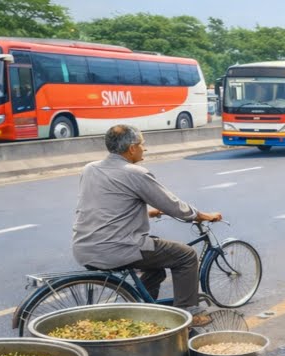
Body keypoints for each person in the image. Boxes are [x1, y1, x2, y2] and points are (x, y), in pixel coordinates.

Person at [72, 125, 222, 326]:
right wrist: (202, 215)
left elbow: (105, 206)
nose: (145, 149)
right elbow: (173, 205)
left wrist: (147, 212)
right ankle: (188, 313)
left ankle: (140, 312)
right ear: (132, 148)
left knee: (156, 269)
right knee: (186, 255)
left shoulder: (90, 168)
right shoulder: (135, 173)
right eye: (142, 144)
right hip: (117, 248)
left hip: (84, 247)